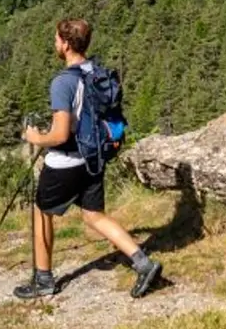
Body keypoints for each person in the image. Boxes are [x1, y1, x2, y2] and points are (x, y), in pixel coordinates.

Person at [13, 18, 162, 300]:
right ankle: (144, 264)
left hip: (66, 161)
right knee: (94, 215)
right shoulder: (96, 72)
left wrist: (34, 138)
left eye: (57, 39)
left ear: (66, 44)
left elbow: (58, 135)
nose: (55, 43)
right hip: (94, 157)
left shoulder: (63, 83)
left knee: (42, 211)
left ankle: (43, 280)